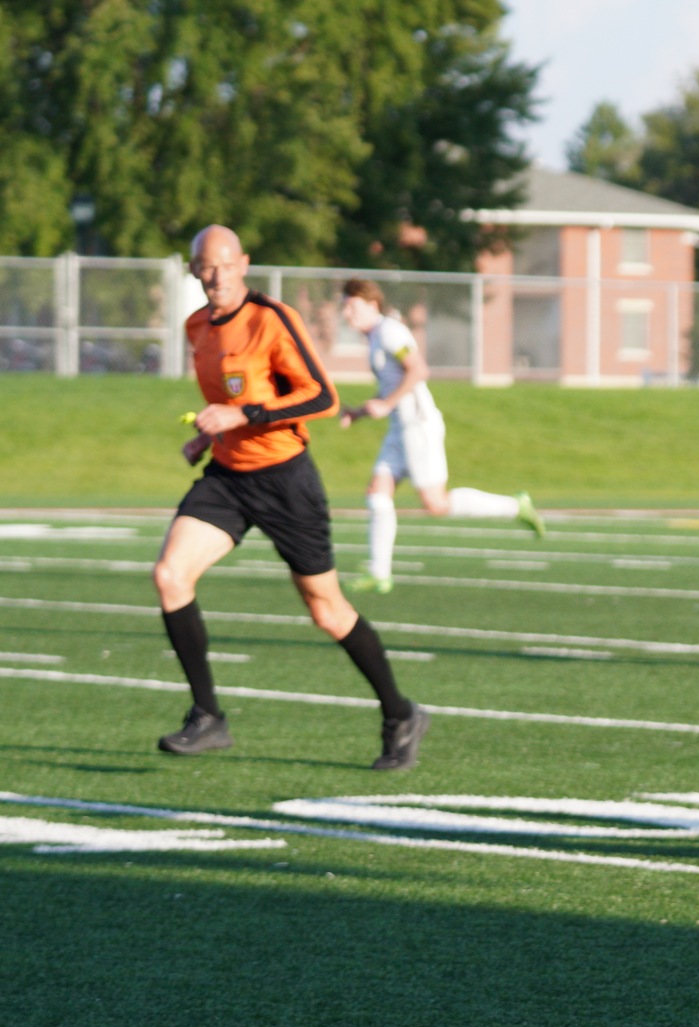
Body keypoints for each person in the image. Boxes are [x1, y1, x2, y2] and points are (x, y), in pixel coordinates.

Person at [156, 226, 427, 770]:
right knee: (170, 576)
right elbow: (228, 397)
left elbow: (322, 397)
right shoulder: (196, 327)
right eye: (205, 266)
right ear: (192, 270)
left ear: (244, 265)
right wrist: (209, 435)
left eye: (225, 265)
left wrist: (244, 415)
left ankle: (399, 713)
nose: (216, 276)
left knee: (326, 610)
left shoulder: (271, 318)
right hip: (229, 477)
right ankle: (207, 716)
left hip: (286, 482)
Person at [337, 278, 542, 593]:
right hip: (399, 428)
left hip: (419, 425)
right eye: (344, 306)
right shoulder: (376, 337)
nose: (346, 313)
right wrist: (360, 412)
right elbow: (390, 389)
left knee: (436, 504)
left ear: (371, 304)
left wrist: (387, 404)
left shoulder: (390, 332)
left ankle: (516, 506)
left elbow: (418, 370)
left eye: (351, 305)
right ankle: (380, 573)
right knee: (378, 493)